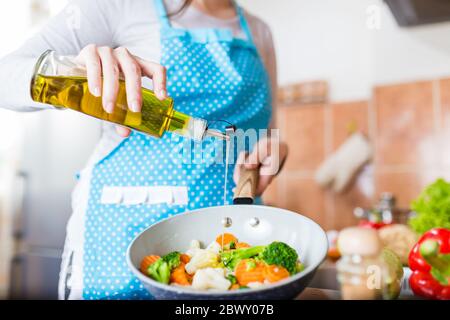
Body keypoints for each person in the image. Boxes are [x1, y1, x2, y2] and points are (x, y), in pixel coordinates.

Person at [0, 0, 287, 299]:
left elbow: (267, 133)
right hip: (123, 242)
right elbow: (4, 77)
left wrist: (277, 150)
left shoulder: (259, 31)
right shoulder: (118, 6)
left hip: (233, 253)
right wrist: (72, 69)